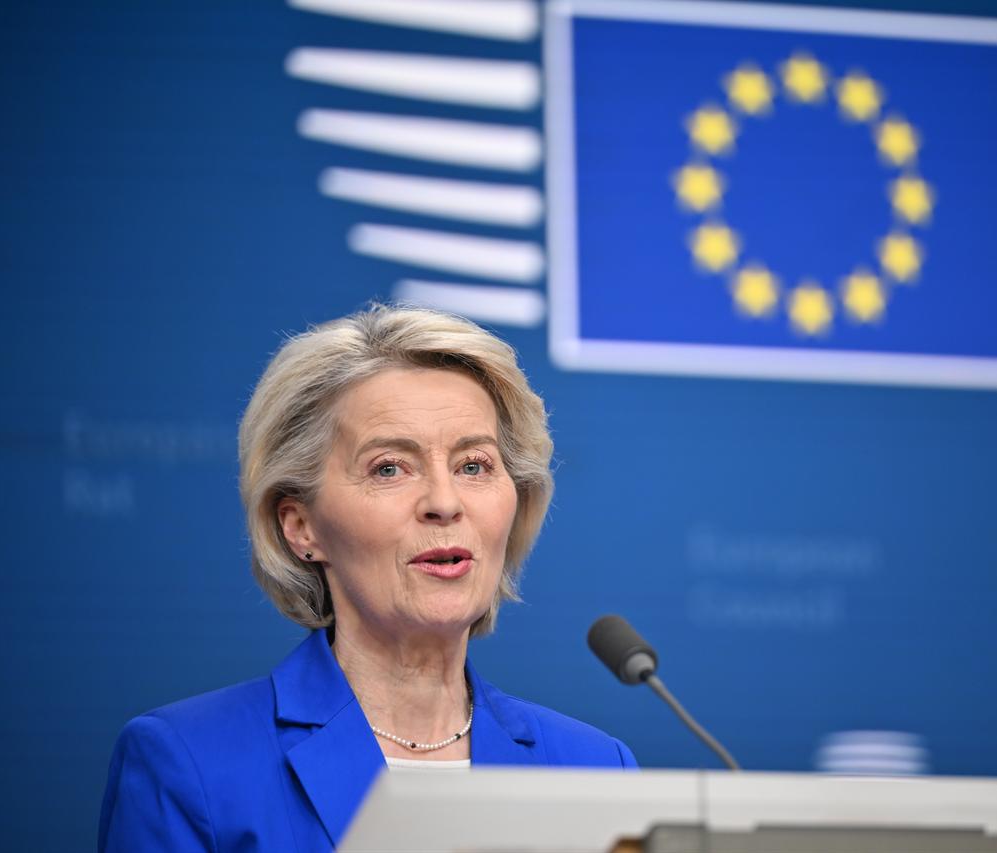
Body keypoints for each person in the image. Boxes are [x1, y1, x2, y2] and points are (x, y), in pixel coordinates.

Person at [98, 306, 636, 851]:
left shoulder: (594, 769)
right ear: (301, 527)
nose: (444, 502)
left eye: (473, 465)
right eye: (389, 468)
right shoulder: (190, 764)